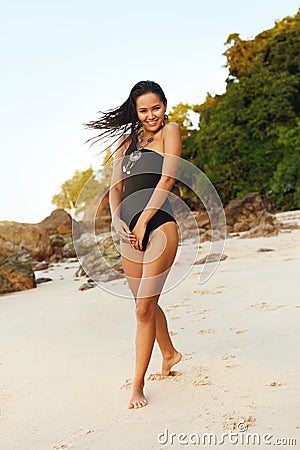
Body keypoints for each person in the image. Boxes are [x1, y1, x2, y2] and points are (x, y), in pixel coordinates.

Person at [86, 80, 182, 409]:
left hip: (159, 226)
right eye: (144, 110)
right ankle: (169, 353)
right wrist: (116, 219)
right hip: (129, 232)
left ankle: (137, 386)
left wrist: (143, 221)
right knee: (144, 304)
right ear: (135, 111)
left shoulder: (171, 131)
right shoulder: (125, 142)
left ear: (164, 105)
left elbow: (167, 179)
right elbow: (115, 189)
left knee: (142, 309)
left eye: (156, 107)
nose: (151, 115)